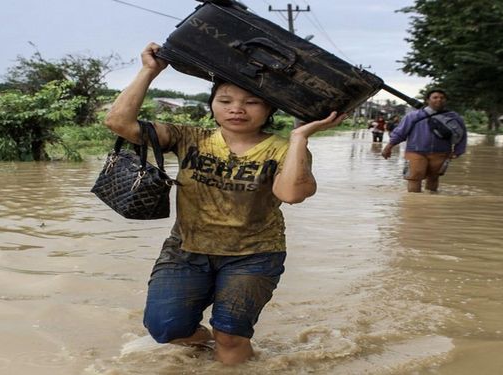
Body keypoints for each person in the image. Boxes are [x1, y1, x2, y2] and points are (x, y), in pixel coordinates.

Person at [104, 42, 347, 365]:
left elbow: (292, 194)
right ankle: (209, 347)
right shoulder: (188, 137)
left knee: (231, 335)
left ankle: (231, 355)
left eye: (252, 102)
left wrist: (300, 138)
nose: (237, 109)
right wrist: (150, 71)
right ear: (212, 105)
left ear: (269, 110)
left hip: (254, 255)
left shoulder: (281, 149)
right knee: (165, 328)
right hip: (187, 251)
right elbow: (119, 123)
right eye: (226, 101)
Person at [381, 89, 467, 192]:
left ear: (446, 101)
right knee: (414, 178)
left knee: (434, 178)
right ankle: (413, 204)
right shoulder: (413, 116)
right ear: (427, 100)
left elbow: (462, 134)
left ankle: (430, 203)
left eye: (442, 98)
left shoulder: (453, 117)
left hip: (441, 152)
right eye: (435, 97)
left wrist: (458, 151)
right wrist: (388, 147)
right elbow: (400, 132)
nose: (439, 100)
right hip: (415, 151)